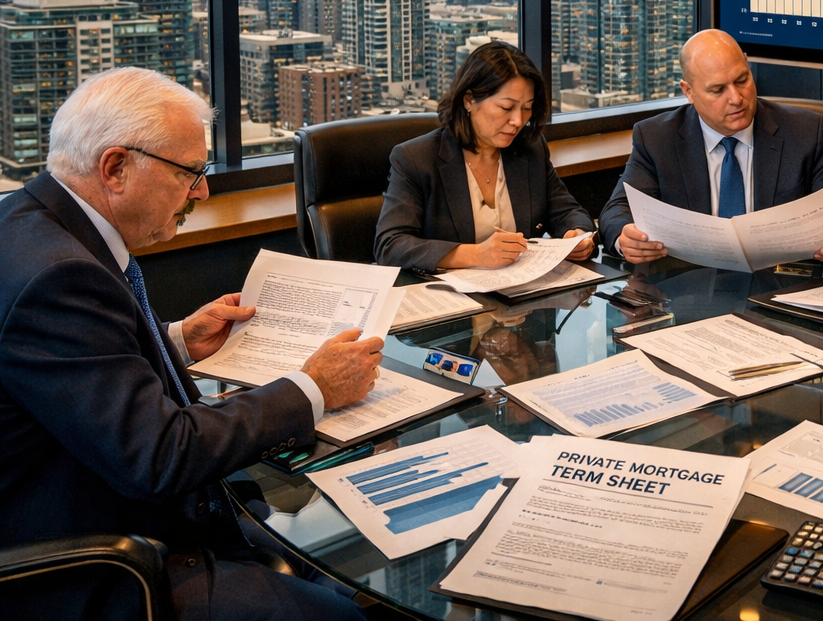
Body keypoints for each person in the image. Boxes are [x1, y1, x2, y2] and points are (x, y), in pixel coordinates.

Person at [0, 68, 380, 621]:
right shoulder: (60, 278)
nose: (202, 190)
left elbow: (76, 379)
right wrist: (312, 387)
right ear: (115, 167)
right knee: (345, 614)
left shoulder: (32, 222)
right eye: (189, 172)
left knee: (340, 581)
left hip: (107, 498)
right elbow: (162, 456)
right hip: (104, 563)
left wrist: (175, 340)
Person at [598, 29, 823, 265]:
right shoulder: (656, 138)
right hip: (688, 291)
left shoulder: (805, 131)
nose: (736, 98)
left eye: (742, 80)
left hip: (783, 290)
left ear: (747, 65)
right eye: (717, 90)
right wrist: (626, 238)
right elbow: (616, 211)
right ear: (689, 92)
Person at [375, 40, 595, 272]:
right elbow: (390, 246)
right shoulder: (416, 159)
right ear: (469, 100)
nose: (518, 121)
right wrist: (476, 254)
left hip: (520, 296)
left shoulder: (530, 148)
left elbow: (568, 212)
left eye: (527, 108)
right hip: (452, 299)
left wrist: (578, 235)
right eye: (506, 108)